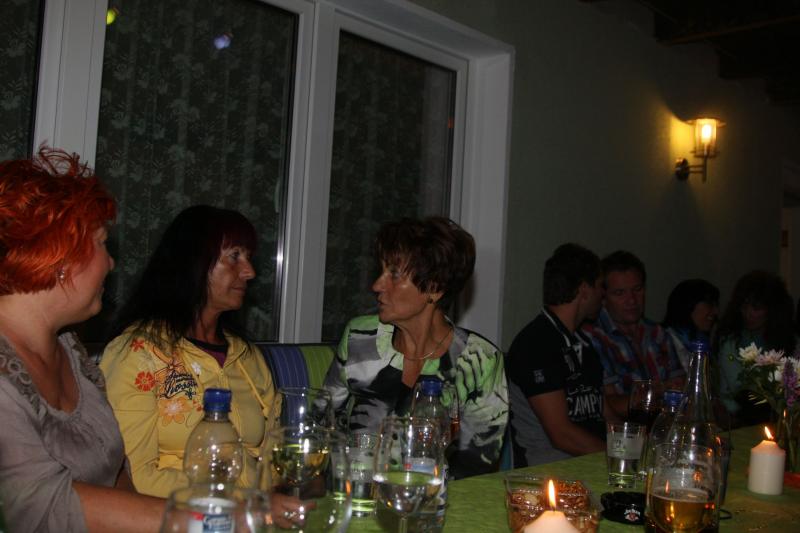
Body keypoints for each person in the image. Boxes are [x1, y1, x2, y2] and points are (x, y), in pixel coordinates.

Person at [0, 148, 163, 532]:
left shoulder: (70, 349)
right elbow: (41, 507)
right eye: (102, 243)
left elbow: (117, 474)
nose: (111, 263)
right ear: (62, 258)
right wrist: (211, 518)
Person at [99, 205, 281, 499]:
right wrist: (236, 500)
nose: (250, 272)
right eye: (234, 256)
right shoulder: (139, 354)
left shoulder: (247, 357)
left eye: (248, 258)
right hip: (170, 516)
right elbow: (132, 477)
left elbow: (273, 461)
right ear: (193, 262)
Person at [323, 216, 508, 479]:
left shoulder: (480, 361)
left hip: (436, 497)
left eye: (394, 274)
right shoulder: (360, 338)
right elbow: (321, 425)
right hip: (357, 491)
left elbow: (477, 466)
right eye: (381, 271)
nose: (377, 285)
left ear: (434, 287)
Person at [506, 243, 609, 467]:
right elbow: (561, 434)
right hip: (550, 470)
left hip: (591, 463)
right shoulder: (535, 345)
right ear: (584, 290)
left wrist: (634, 446)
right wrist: (620, 459)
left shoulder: (583, 343)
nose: (604, 294)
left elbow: (603, 411)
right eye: (601, 286)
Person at [583, 250, 684, 419]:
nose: (632, 300)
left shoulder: (658, 333)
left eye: (637, 289)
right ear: (603, 297)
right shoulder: (593, 338)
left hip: (665, 425)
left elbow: (682, 388)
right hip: (622, 430)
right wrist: (661, 390)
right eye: (619, 293)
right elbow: (608, 405)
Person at [715, 270, 797, 423]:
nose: (748, 314)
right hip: (738, 419)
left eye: (756, 308)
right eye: (744, 306)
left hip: (781, 417)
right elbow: (739, 389)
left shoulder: (789, 340)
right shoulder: (731, 341)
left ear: (772, 310)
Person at [662, 279, 720, 372]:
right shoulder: (663, 341)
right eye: (709, 304)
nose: (716, 312)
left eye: (716, 305)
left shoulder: (703, 341)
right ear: (689, 304)